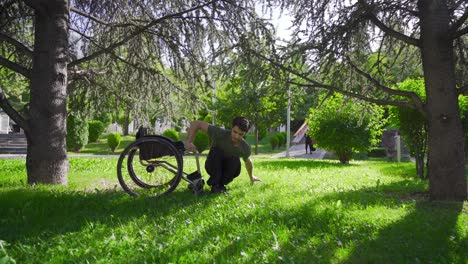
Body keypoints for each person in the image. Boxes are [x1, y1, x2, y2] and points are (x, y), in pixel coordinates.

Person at [186, 116, 261, 193]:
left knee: (235, 158)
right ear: (231, 128)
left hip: (228, 171)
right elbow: (197, 123)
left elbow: (248, 161)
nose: (236, 136)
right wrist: (189, 142)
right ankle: (215, 183)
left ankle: (219, 185)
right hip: (213, 164)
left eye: (240, 134)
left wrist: (251, 176)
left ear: (244, 134)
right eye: (235, 132)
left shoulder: (245, 147)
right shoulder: (220, 133)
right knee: (217, 150)